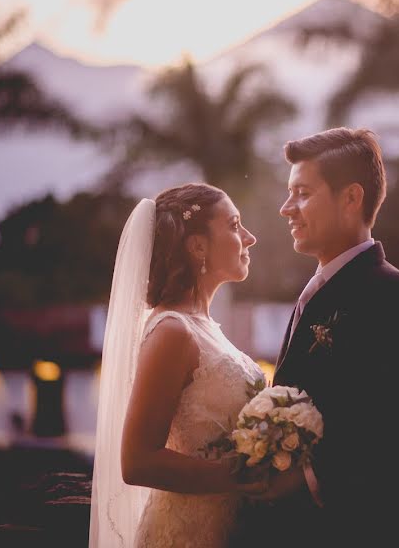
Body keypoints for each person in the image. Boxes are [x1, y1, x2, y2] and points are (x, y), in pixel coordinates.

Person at [238, 128, 399, 542]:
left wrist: (311, 475)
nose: (285, 208)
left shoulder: (395, 294)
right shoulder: (315, 288)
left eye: (302, 193)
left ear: (351, 198)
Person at [89, 183, 269, 548]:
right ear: (198, 245)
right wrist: (236, 477)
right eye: (234, 225)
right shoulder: (172, 331)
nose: (249, 238)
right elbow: (137, 461)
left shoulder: (205, 328)